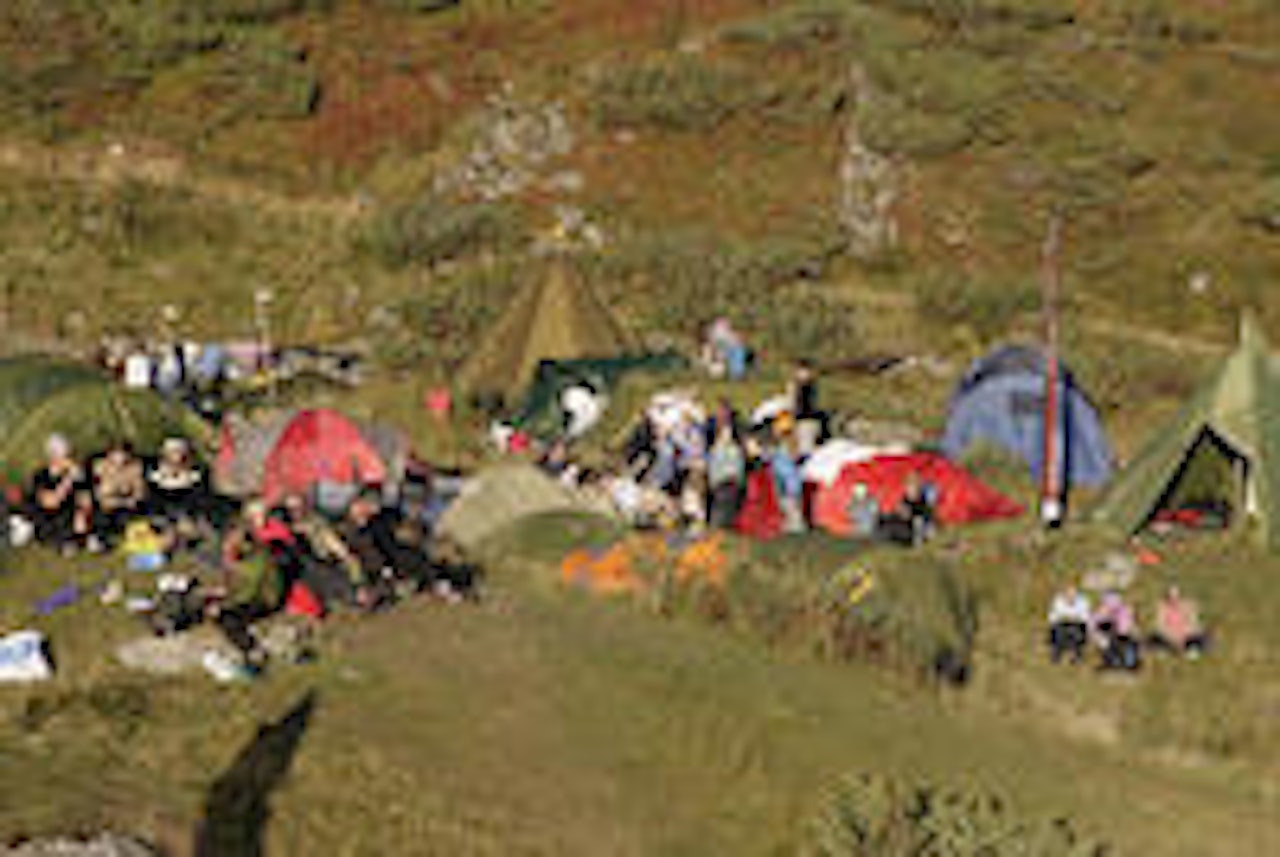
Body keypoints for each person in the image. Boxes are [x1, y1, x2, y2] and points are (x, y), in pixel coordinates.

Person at [29, 434, 86, 549]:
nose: (69, 460)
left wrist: (83, 512)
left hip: (68, 518)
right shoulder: (41, 476)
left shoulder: (75, 474)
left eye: (70, 456)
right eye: (65, 456)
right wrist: (68, 480)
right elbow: (52, 502)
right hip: (48, 521)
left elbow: (84, 497)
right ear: (53, 456)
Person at [92, 441, 149, 537]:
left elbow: (139, 493)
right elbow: (101, 493)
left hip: (127, 504)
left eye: (122, 454)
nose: (119, 457)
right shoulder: (101, 468)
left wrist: (128, 499)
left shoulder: (135, 468)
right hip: (107, 505)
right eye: (116, 454)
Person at [1152, 586, 1209, 658]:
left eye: (1176, 596)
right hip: (1170, 634)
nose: (1174, 600)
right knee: (1156, 638)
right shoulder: (1163, 607)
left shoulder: (1188, 606)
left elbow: (1193, 622)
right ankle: (1165, 649)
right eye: (1171, 597)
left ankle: (1192, 648)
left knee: (1200, 636)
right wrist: (1172, 635)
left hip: (1186, 633)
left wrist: (1184, 634)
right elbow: (1161, 625)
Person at [707, 428, 745, 530]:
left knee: (731, 505)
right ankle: (716, 526)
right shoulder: (716, 449)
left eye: (729, 434)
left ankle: (729, 525)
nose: (727, 437)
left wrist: (739, 479)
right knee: (719, 505)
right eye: (725, 434)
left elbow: (739, 465)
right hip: (720, 481)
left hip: (732, 481)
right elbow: (713, 466)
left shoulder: (735, 449)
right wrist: (713, 481)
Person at [1093, 591, 1142, 672]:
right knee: (1106, 640)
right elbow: (1094, 623)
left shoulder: (1123, 611)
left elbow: (1126, 626)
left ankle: (1128, 663)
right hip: (1114, 635)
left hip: (1125, 635)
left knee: (1129, 641)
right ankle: (1115, 662)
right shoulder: (1102, 613)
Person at [1046, 584, 1091, 664]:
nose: (1071, 596)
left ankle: (1076, 656)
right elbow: (1054, 615)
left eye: (1073, 594)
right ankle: (1056, 656)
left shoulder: (1083, 601)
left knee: (1078, 633)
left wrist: (1074, 618)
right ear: (1065, 594)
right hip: (1061, 624)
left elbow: (1085, 616)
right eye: (1069, 594)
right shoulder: (1058, 600)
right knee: (1058, 633)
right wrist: (1066, 617)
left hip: (1077, 624)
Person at [771, 438, 806, 535]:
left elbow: (781, 474)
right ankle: (794, 524)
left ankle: (796, 525)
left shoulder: (780, 459)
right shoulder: (783, 459)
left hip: (788, 487)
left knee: (790, 506)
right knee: (791, 506)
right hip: (791, 486)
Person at [789, 361, 823, 456]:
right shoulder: (797, 385)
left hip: (807, 420)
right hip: (803, 420)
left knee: (807, 450)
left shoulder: (806, 386)